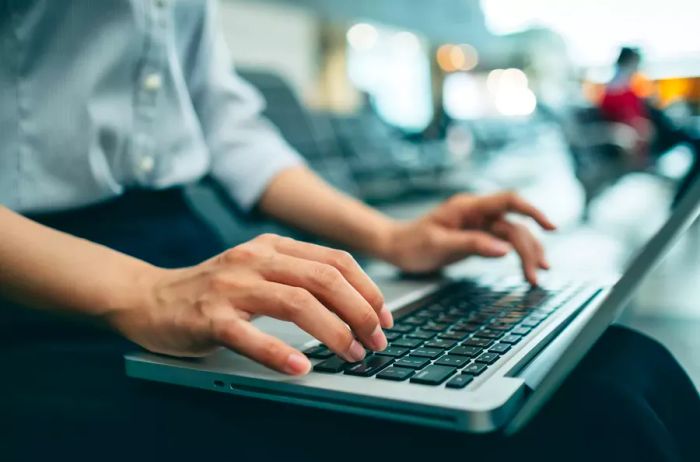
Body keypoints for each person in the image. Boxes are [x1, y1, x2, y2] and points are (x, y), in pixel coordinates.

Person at [0, 2, 698, 461]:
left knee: (623, 366)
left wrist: (389, 238)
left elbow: (225, 126)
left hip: (183, 259)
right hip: (40, 285)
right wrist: (144, 292)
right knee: (587, 418)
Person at [599, 47, 700, 204]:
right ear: (628, 62)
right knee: (695, 140)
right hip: (649, 136)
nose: (637, 68)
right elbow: (621, 119)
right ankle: (683, 199)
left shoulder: (629, 86)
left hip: (656, 129)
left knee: (694, 136)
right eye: (636, 63)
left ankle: (684, 197)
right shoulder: (615, 88)